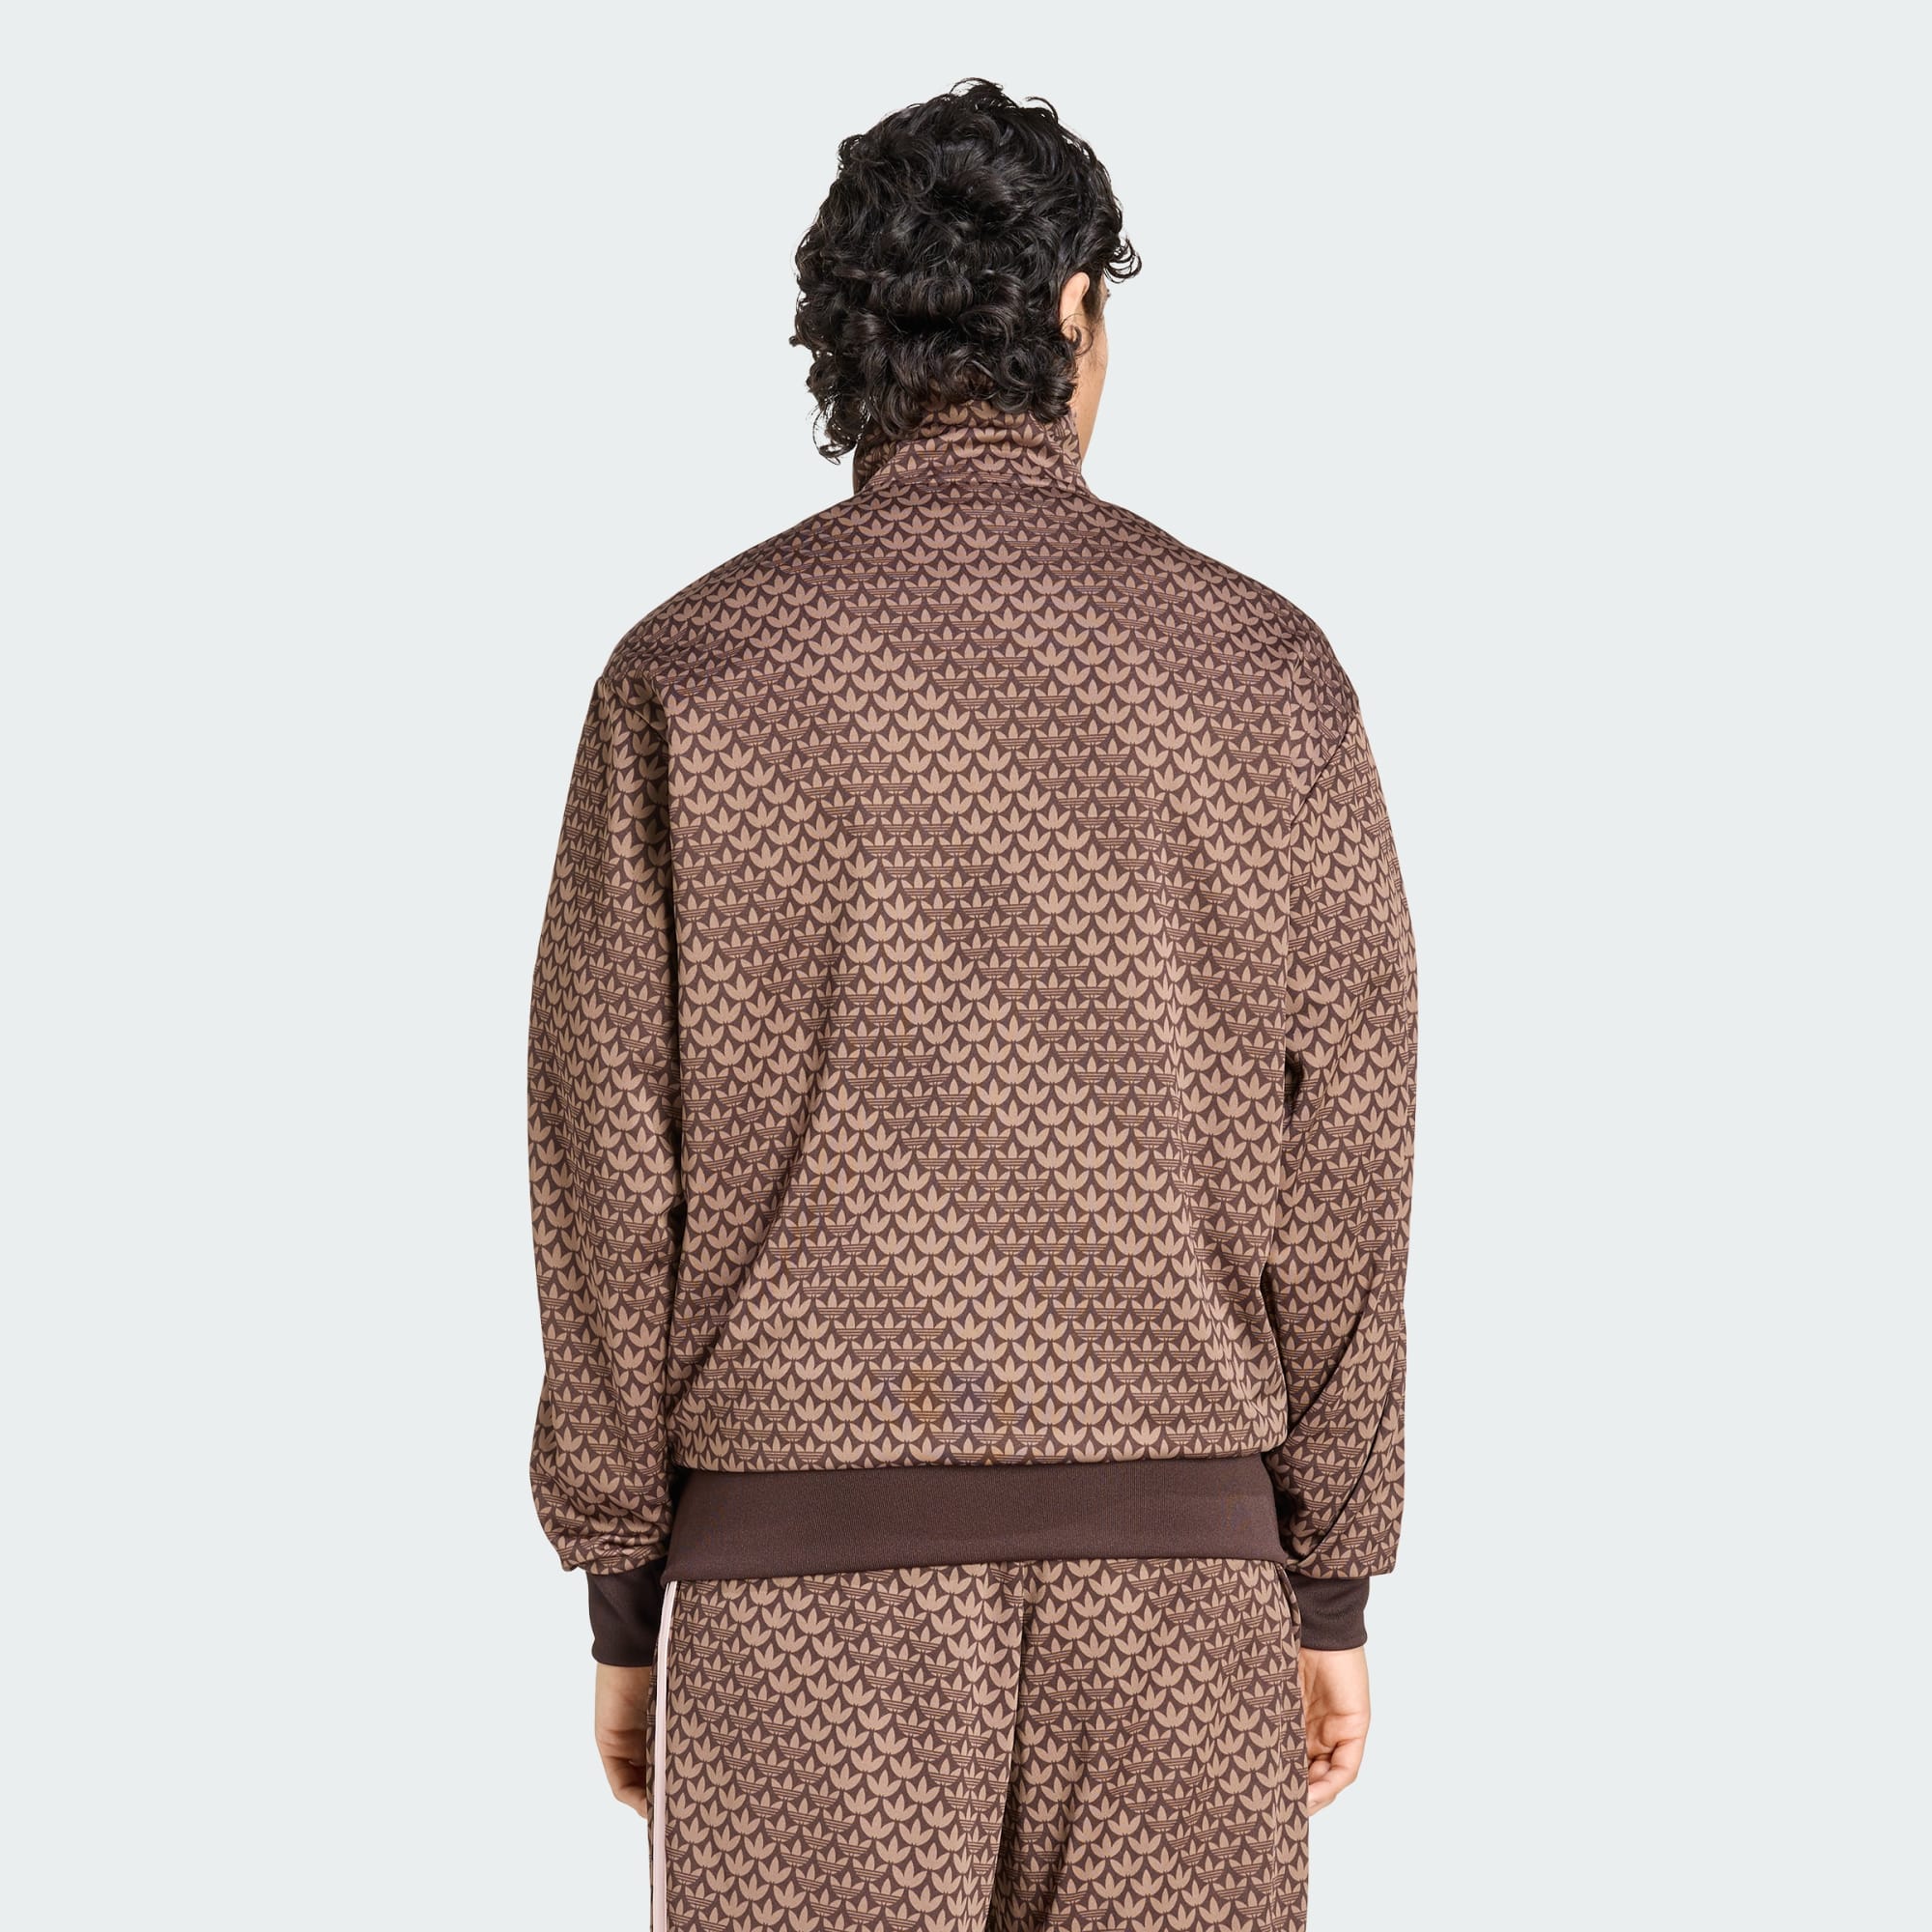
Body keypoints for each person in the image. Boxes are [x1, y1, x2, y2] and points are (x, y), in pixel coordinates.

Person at [526, 77, 1417, 1932]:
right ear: (1076, 308)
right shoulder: (1265, 673)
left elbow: (603, 1161)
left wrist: (625, 1598)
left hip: (796, 1609)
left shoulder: (690, 675)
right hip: (1180, 1605)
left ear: (847, 340)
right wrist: (1324, 1579)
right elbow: (1348, 1151)